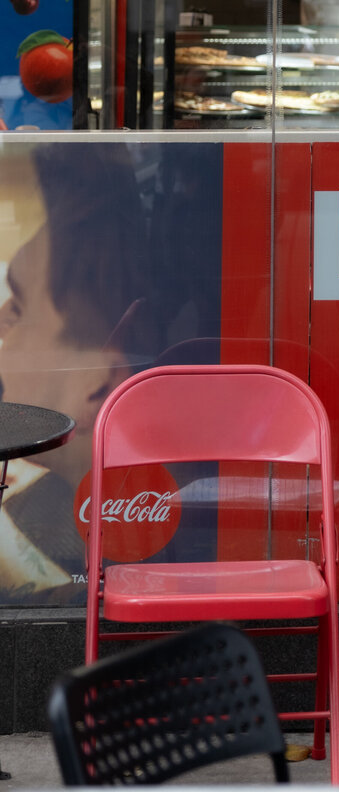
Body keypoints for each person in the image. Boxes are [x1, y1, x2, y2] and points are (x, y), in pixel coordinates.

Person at [0, 141, 152, 602]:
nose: (2, 318)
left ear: (99, 377)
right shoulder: (31, 510)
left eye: (20, 307)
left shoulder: (61, 563)